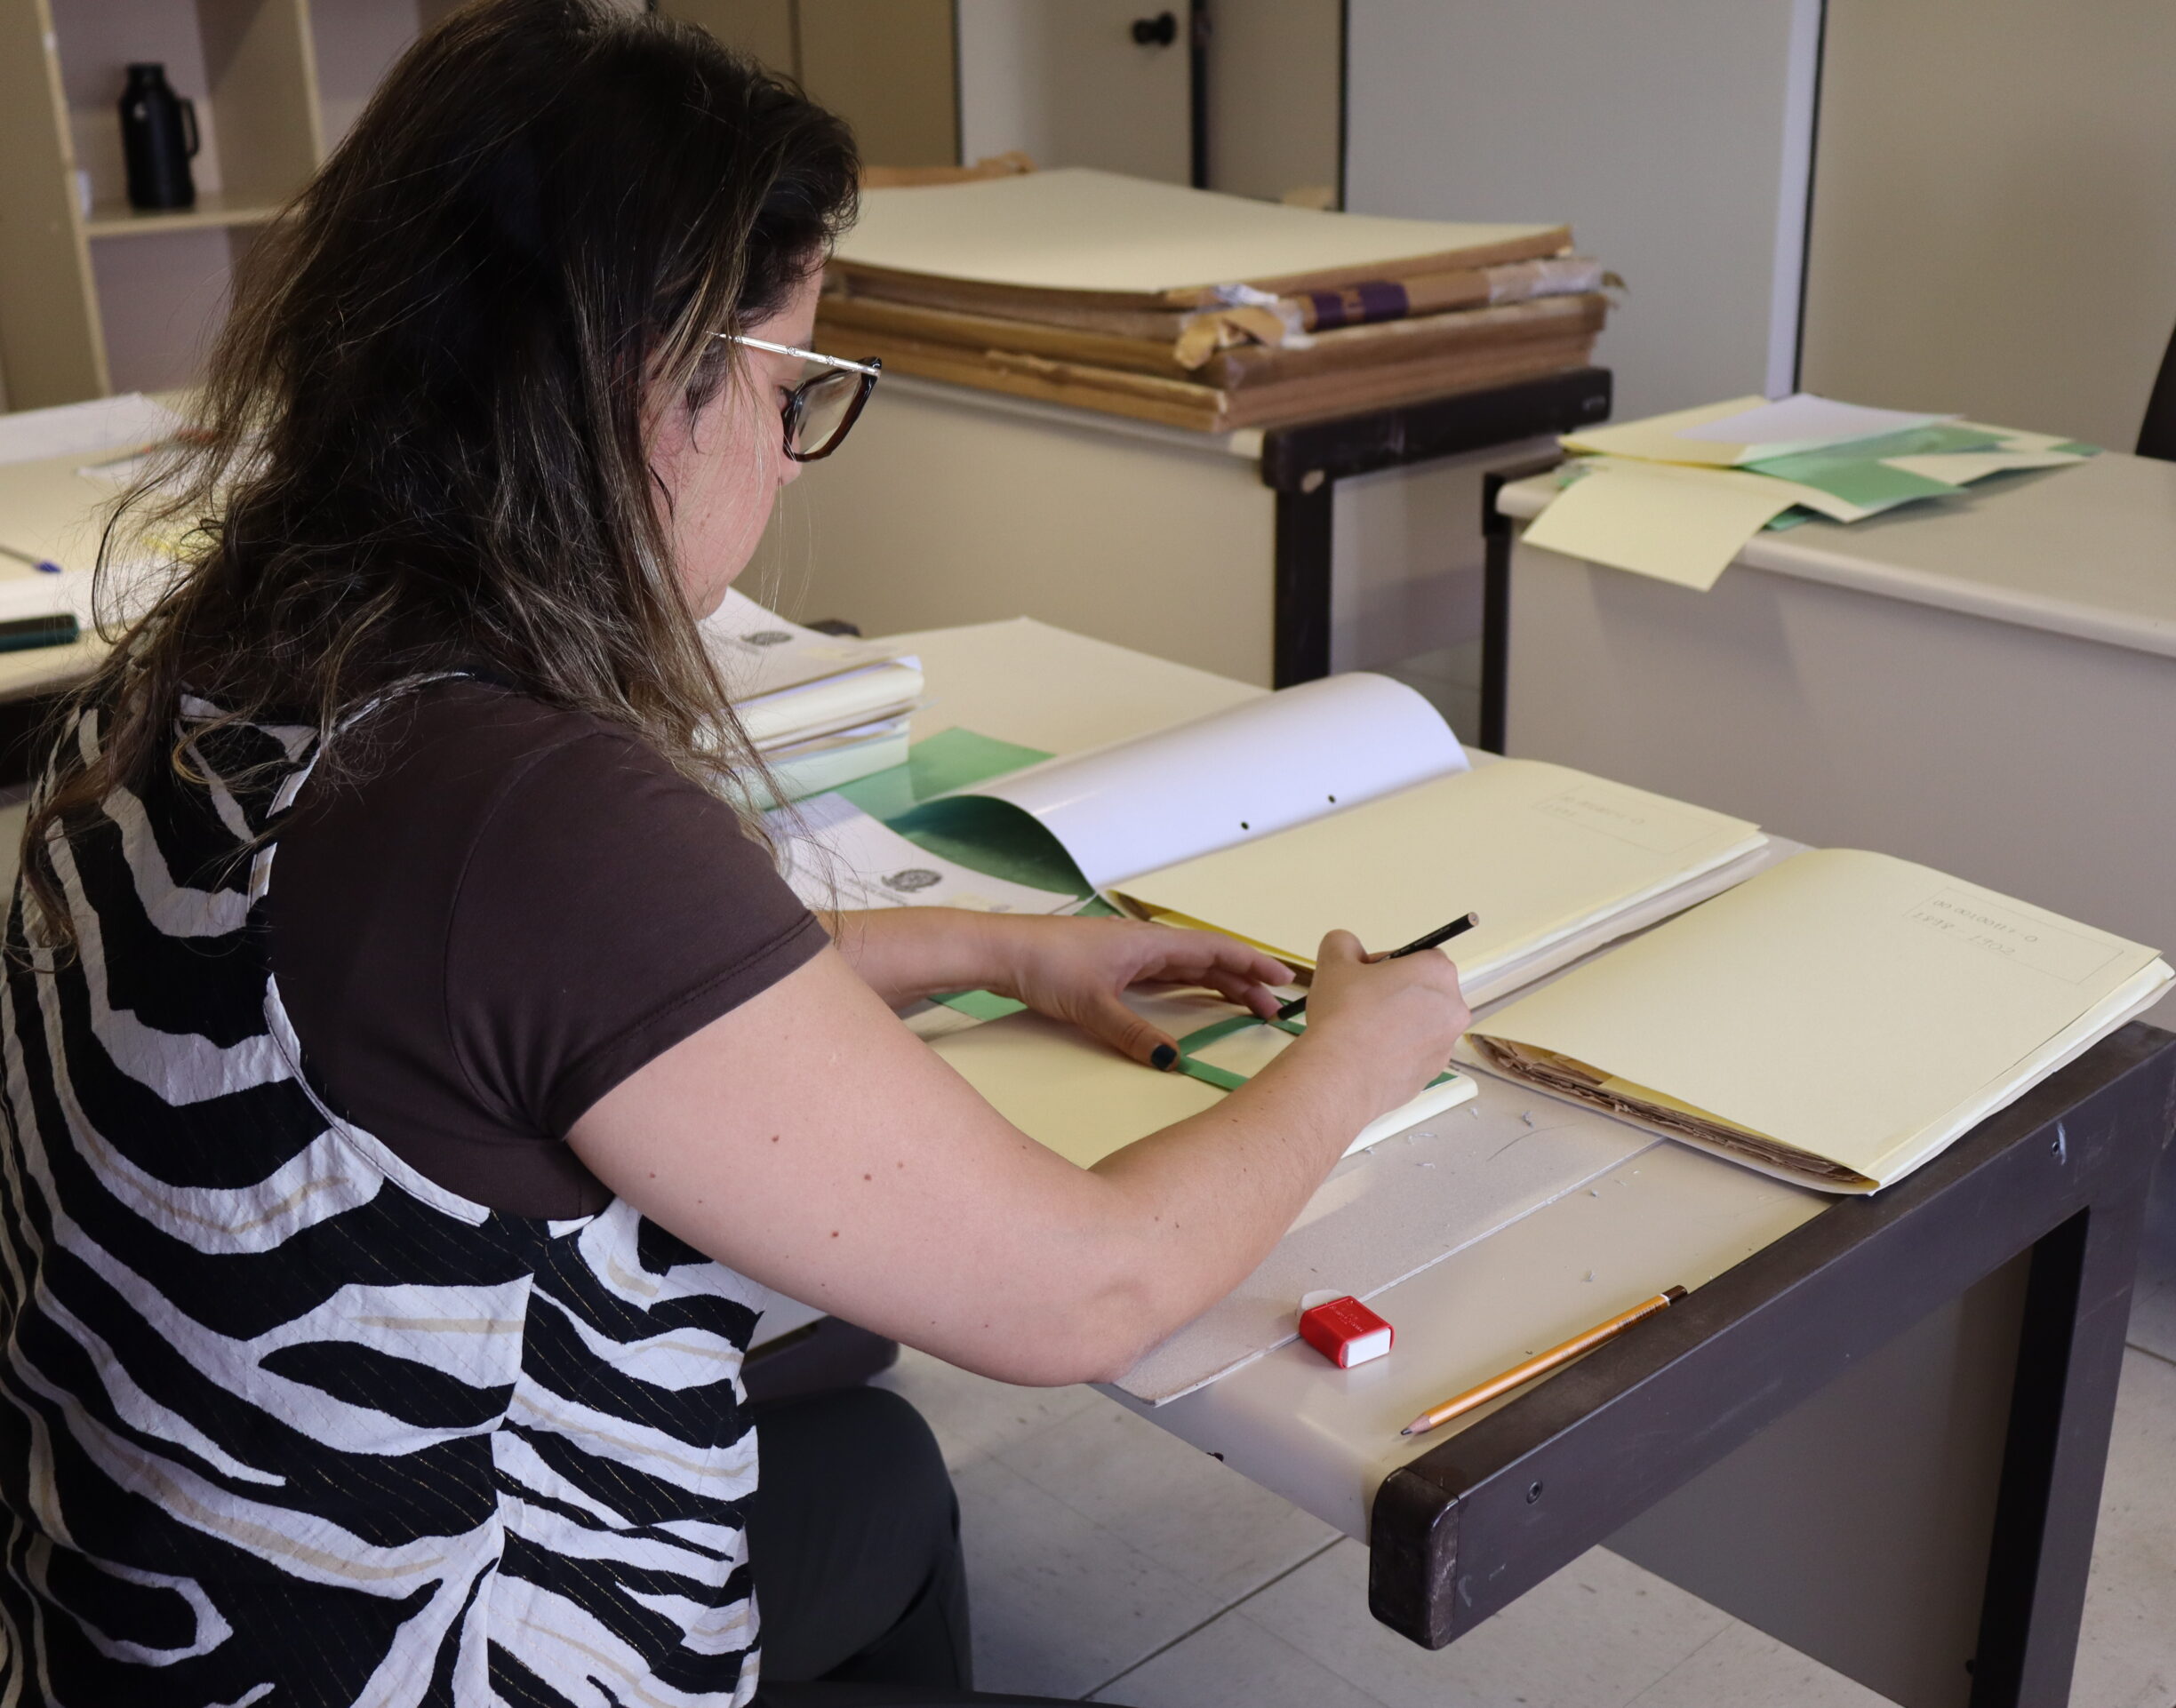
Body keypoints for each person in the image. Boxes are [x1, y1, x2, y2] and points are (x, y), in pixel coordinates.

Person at [0, 2, 1469, 1703]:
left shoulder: (227, 669)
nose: (788, 454)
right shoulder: (520, 811)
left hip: (137, 1627)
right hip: (418, 1661)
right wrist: (1353, 1057)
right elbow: (1089, 1290)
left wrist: (998, 946)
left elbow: (561, 1008)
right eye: (789, 389)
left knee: (876, 1464)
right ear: (643, 381)